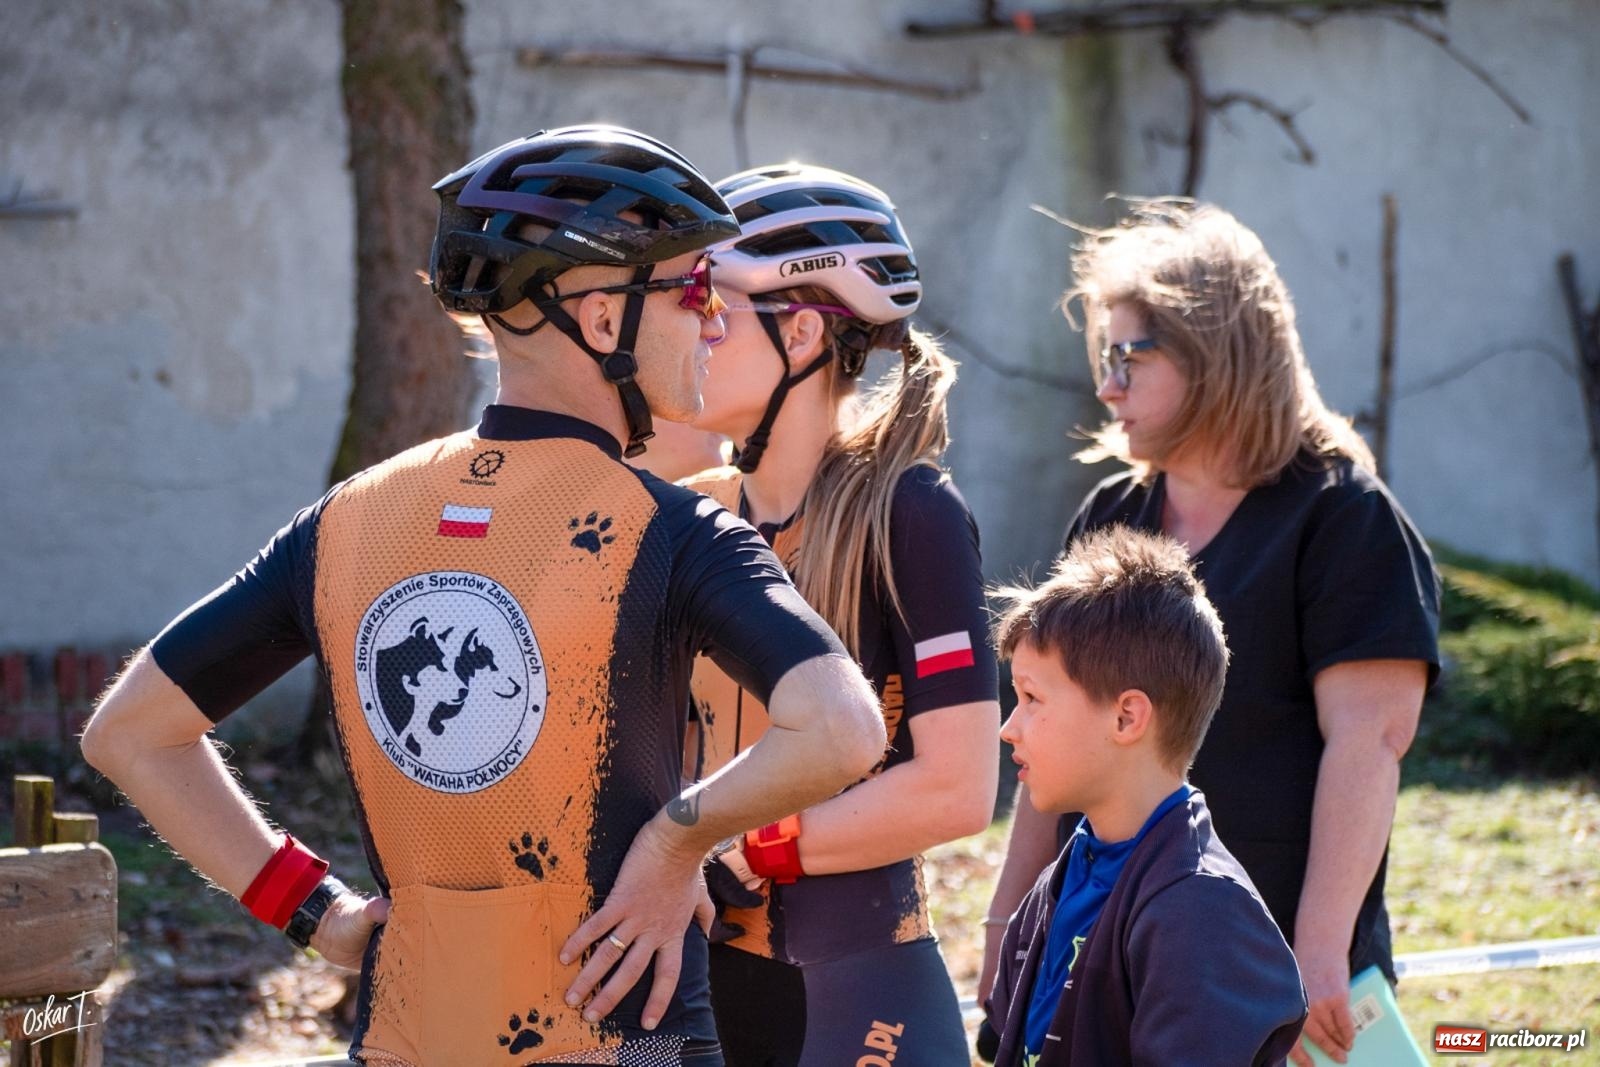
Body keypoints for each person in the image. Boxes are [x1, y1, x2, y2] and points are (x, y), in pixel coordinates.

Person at [80, 126, 888, 1067]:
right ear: (598, 320)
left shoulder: (347, 518)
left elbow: (128, 734)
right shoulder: (672, 532)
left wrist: (319, 915)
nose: (713, 321)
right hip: (624, 1042)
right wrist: (676, 844)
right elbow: (842, 729)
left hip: (408, 1033)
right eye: (695, 288)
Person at [980, 201, 1440, 1067]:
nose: (1106, 385)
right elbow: (1053, 719)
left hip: (1279, 977)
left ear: (1215, 353)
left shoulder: (1345, 519)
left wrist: (1318, 948)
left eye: (1127, 357)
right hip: (1115, 951)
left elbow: (1370, 741)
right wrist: (1011, 917)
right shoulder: (1111, 515)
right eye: (1102, 357)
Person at [682, 162, 1000, 1066]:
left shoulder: (911, 511)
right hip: (701, 985)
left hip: (859, 993)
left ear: (804, 329)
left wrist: (752, 845)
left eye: (716, 306)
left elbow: (959, 786)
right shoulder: (692, 512)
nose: (694, 330)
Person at [986, 525, 1306, 1065]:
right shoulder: (1059, 882)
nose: (1009, 727)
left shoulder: (1203, 913)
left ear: (1126, 716)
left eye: (1032, 698)